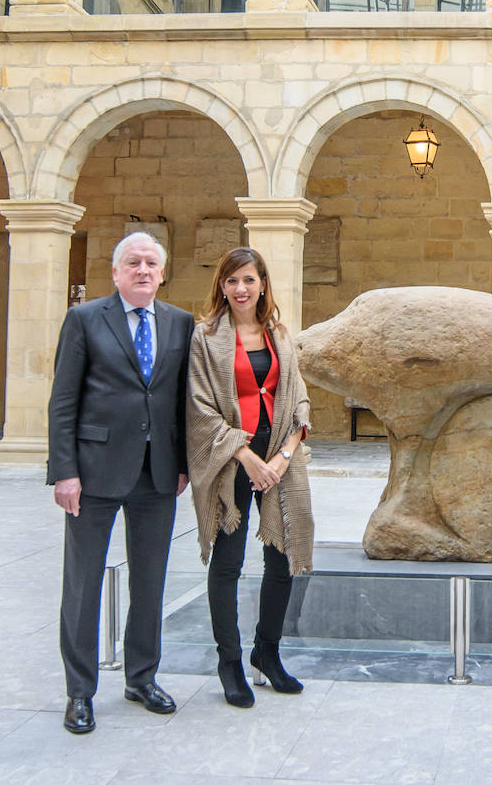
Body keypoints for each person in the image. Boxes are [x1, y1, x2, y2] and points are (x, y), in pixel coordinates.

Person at [47, 231, 194, 735]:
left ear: (162, 271)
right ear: (116, 272)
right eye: (133, 262)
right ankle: (80, 693)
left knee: (150, 584)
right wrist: (64, 471)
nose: (143, 270)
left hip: (157, 475)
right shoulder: (85, 319)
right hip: (93, 474)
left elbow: (180, 401)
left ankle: (141, 678)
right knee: (84, 583)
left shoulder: (180, 323)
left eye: (152, 263)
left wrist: (183, 466)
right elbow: (63, 400)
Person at [186, 246, 314, 709]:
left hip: (278, 459)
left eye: (249, 280)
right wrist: (246, 456)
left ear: (262, 284)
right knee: (229, 561)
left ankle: (268, 653)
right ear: (221, 286)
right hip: (232, 461)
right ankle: (230, 662)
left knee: (281, 559)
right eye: (232, 281)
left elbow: (298, 400)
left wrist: (281, 457)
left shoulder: (279, 334)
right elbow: (200, 408)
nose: (241, 289)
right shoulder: (205, 338)